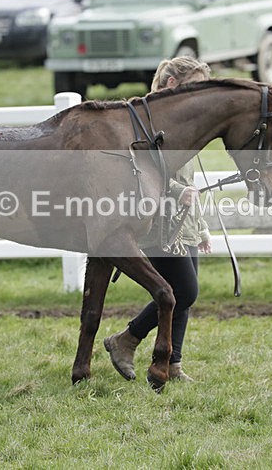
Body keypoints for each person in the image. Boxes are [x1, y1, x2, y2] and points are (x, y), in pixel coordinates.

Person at [104, 56, 213, 383]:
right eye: (195, 85)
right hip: (161, 225)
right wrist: (178, 190)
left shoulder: (183, 125)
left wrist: (202, 228)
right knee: (185, 290)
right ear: (172, 85)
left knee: (182, 299)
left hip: (187, 226)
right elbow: (143, 171)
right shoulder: (149, 124)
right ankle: (126, 339)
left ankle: (172, 364)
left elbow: (191, 179)